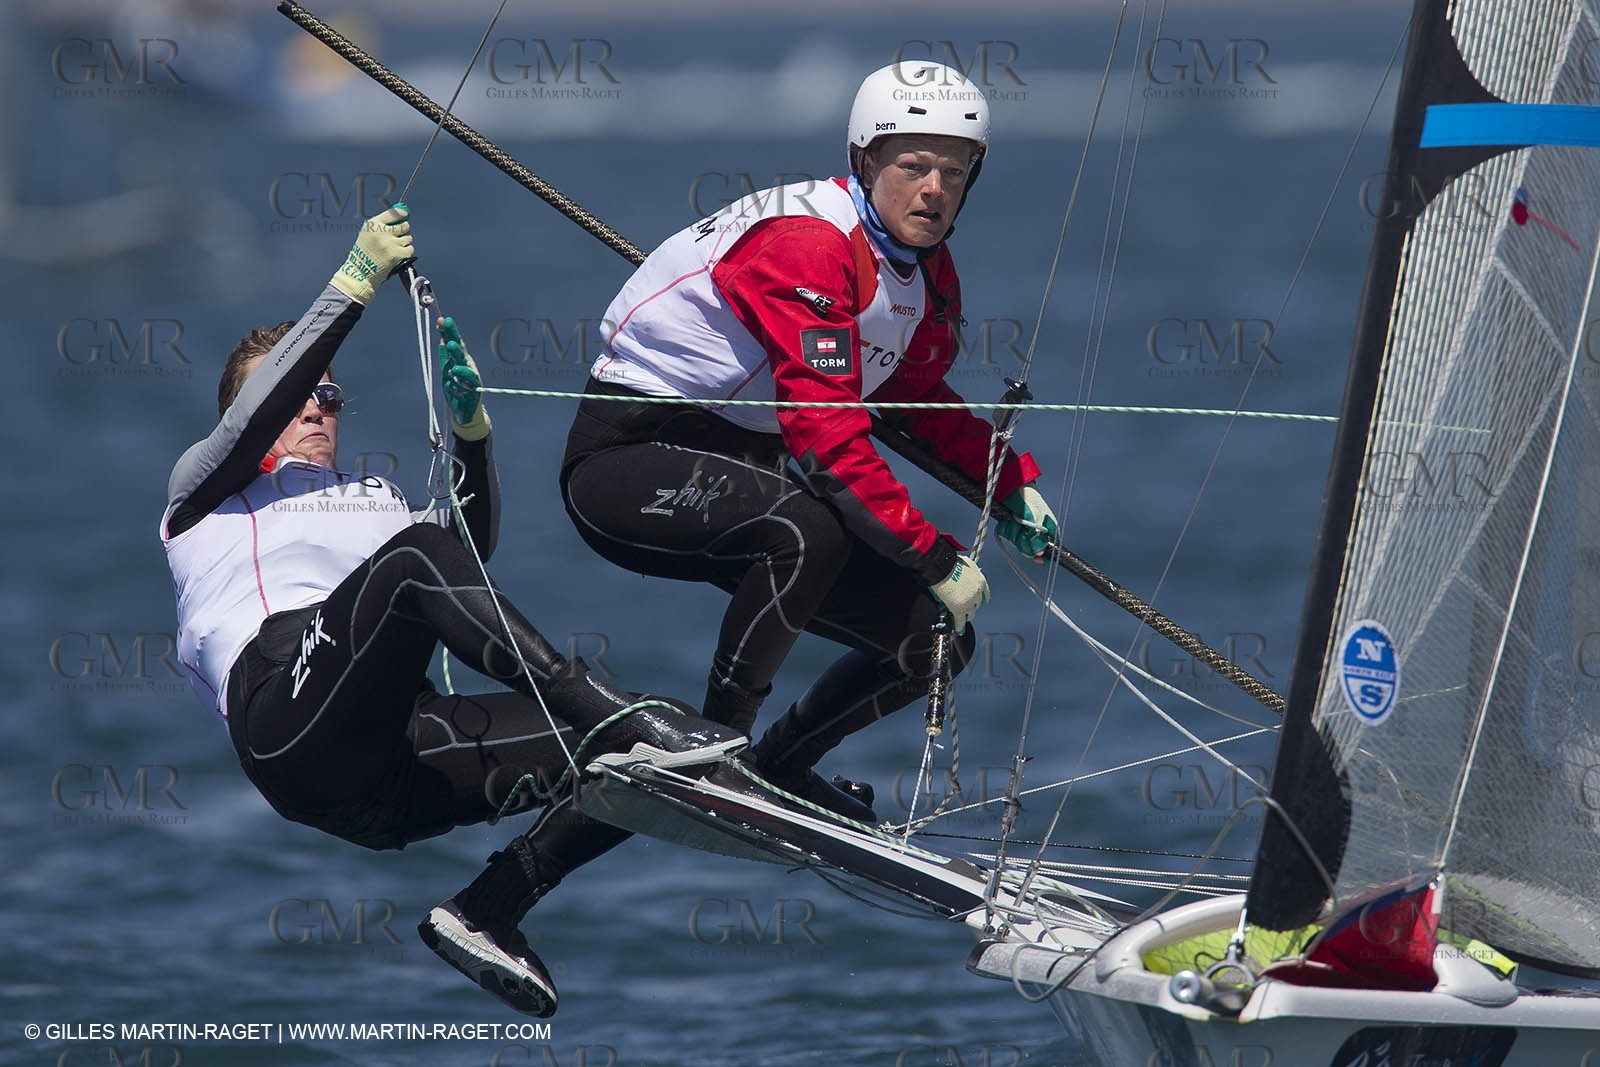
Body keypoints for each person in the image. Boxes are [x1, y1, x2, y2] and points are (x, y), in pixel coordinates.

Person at [160, 205, 743, 1017]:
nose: (315, 405)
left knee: (639, 740)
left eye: (326, 394)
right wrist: (355, 280)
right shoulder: (201, 497)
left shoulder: (376, 503)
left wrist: (472, 436)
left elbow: (464, 551)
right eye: (294, 392)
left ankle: (495, 905)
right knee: (437, 578)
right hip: (287, 724)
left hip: (393, 768)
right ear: (243, 413)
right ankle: (593, 700)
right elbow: (421, 561)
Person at [559, 62, 1059, 823]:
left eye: (954, 173)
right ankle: (715, 753)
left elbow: (909, 396)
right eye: (913, 167)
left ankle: (781, 766)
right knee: (811, 525)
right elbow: (825, 437)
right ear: (863, 161)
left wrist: (1007, 477)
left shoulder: (925, 269)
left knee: (934, 643)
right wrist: (928, 554)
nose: (933, 189)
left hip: (746, 478)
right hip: (627, 461)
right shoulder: (807, 243)